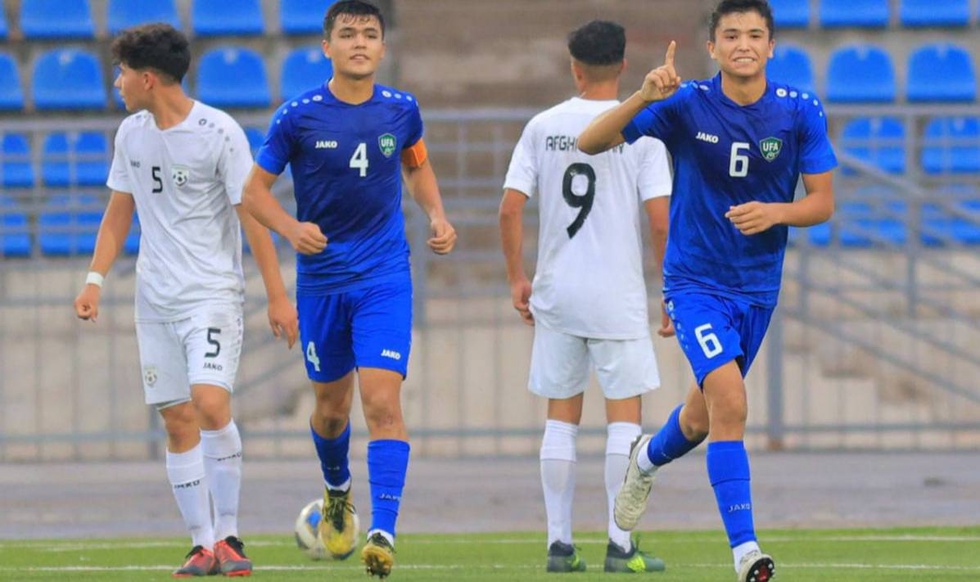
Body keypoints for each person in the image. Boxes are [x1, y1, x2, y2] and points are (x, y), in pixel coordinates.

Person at [578, 1, 837, 580]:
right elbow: (590, 143)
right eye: (731, 35)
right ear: (712, 48)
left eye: (755, 35)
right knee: (732, 402)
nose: (744, 44)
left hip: (757, 287)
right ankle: (747, 553)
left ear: (771, 46)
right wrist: (643, 96)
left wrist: (776, 212)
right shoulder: (686, 102)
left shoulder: (799, 110)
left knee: (700, 418)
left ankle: (645, 460)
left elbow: (822, 203)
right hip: (694, 281)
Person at [73, 23, 298, 578]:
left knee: (210, 404)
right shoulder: (131, 134)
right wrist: (95, 279)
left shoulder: (218, 132)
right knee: (177, 420)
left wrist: (277, 296)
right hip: (155, 299)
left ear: (148, 78)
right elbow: (118, 213)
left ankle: (230, 535)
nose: (118, 82)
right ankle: (201, 544)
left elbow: (252, 217)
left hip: (211, 295)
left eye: (123, 72)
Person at [241, 0, 456, 578]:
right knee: (331, 412)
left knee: (382, 403)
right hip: (322, 283)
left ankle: (383, 531)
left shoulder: (402, 109)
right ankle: (337, 489)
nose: (359, 42)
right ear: (327, 47)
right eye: (347, 34)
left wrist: (436, 214)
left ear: (383, 48)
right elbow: (253, 193)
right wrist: (291, 229)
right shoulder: (298, 116)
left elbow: (416, 165)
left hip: (384, 278)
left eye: (369, 34)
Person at [500, 20, 673, 575]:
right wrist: (669, 290)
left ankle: (559, 543)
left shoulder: (542, 126)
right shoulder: (643, 129)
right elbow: (660, 222)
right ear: (623, 65)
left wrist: (517, 278)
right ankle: (620, 545)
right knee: (624, 419)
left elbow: (509, 208)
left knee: (561, 418)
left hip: (558, 291)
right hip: (616, 294)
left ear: (574, 68)